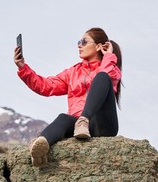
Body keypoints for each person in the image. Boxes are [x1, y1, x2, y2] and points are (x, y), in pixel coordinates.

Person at [14, 27, 122, 167]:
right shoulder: (73, 72)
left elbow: (108, 76)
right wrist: (23, 68)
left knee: (102, 77)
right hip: (78, 129)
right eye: (79, 41)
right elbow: (46, 86)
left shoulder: (110, 67)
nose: (79, 45)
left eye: (84, 41)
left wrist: (108, 56)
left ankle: (84, 120)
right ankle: (39, 149)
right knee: (63, 118)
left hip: (102, 125)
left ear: (98, 46)